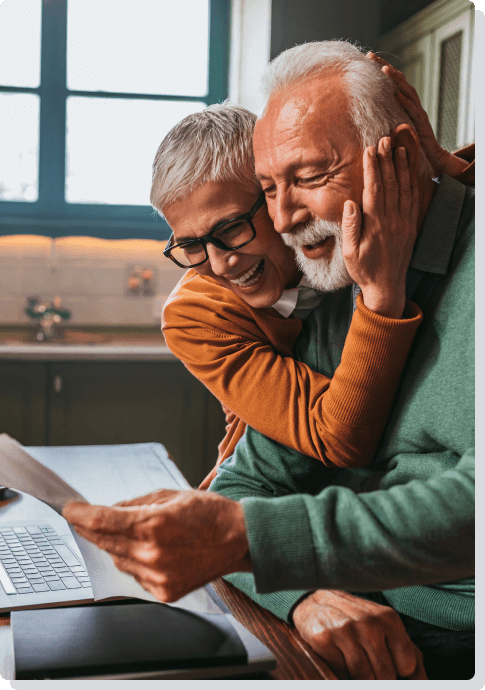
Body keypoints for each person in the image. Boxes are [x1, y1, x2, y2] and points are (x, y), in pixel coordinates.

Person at [64, 44, 475, 680]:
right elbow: (246, 486)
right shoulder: (337, 277)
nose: (284, 219)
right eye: (271, 188)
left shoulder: (350, 273)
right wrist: (300, 591)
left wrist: (253, 542)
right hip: (342, 586)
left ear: (397, 149)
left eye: (309, 176)